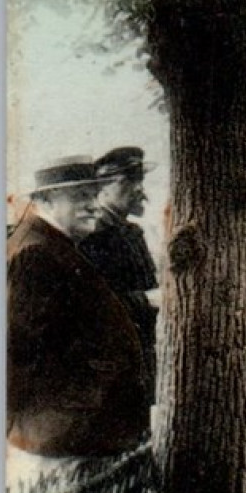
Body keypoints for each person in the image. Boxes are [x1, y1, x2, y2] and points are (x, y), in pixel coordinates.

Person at [8, 157, 150, 458]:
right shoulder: (36, 252)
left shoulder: (55, 245)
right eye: (80, 196)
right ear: (45, 200)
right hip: (59, 439)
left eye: (95, 195)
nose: (94, 205)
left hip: (72, 433)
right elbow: (16, 353)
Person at [78, 147, 160, 402]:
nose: (139, 189)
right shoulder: (90, 236)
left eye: (140, 180)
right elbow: (92, 309)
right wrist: (147, 301)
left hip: (141, 358)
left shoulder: (133, 233)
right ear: (103, 188)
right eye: (129, 180)